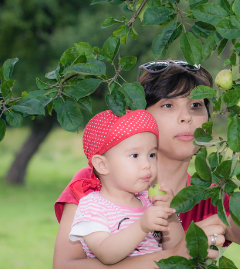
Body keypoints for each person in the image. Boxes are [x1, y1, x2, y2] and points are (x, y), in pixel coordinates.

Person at [53, 60, 240, 269]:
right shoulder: (97, 182)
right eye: (168, 105)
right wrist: (176, 254)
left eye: (196, 105)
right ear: (141, 115)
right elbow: (65, 266)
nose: (186, 117)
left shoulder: (209, 197)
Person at [67, 109, 183, 265]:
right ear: (102, 165)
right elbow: (106, 253)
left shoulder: (149, 200)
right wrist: (142, 226)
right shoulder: (92, 206)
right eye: (135, 155)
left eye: (151, 155)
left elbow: (178, 252)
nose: (147, 164)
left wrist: (170, 214)